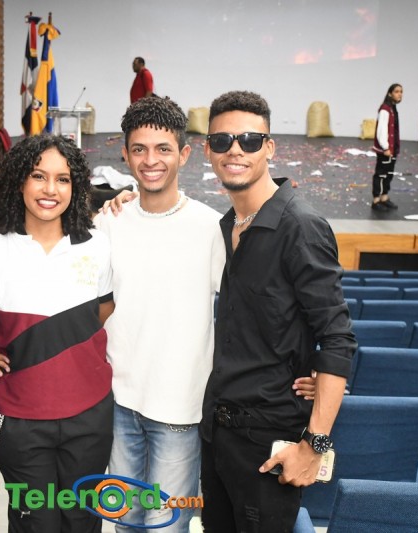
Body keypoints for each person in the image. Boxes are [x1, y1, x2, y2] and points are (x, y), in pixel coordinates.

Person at [95, 97, 317, 532]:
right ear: (125, 155)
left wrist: (306, 367)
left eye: (163, 149)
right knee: (124, 524)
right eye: (139, 149)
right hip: (118, 404)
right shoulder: (108, 223)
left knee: (165, 526)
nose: (151, 160)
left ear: (184, 154)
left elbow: (260, 311)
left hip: (181, 410)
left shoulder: (212, 229)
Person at [199, 91, 357, 533]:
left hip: (269, 445)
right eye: (223, 140)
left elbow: (338, 338)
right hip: (218, 437)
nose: (235, 150)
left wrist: (314, 445)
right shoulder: (227, 226)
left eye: (249, 140)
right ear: (208, 150)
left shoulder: (300, 226)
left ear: (269, 147)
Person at [0, 134, 114, 533]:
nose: (51, 189)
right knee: (36, 523)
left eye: (63, 179)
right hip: (21, 421)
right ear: (19, 181)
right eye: (38, 176)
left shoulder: (98, 247)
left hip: (90, 416)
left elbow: (103, 311)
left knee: (81, 520)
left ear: (76, 187)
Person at [371, 83, 403, 211]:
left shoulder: (392, 108)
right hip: (386, 149)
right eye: (396, 91)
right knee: (381, 174)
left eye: (401, 92)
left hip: (392, 148)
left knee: (388, 173)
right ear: (390, 93)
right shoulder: (385, 109)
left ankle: (384, 197)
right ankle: (376, 199)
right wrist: (385, 147)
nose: (399, 94)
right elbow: (382, 129)